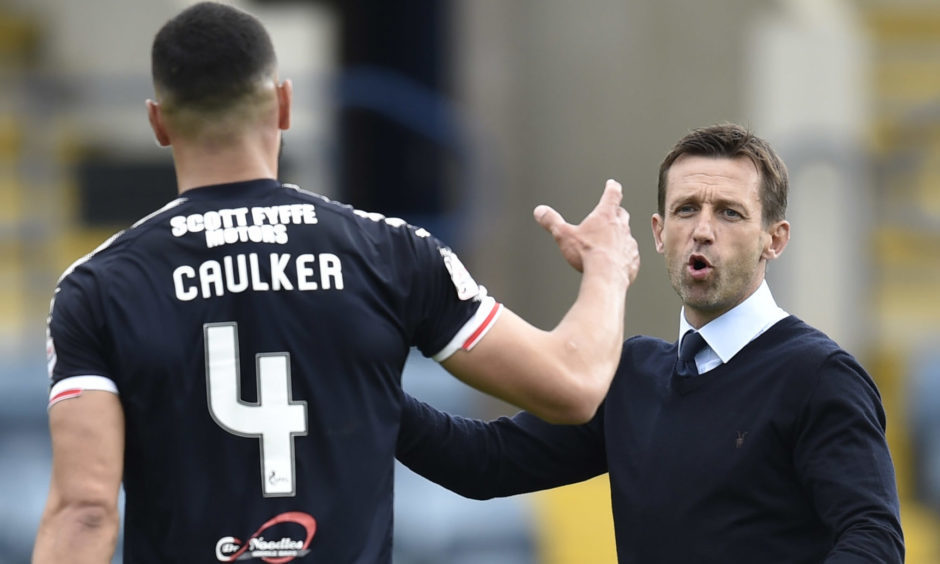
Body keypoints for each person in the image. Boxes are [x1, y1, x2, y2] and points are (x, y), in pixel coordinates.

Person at [31, 3, 640, 563]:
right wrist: (608, 269)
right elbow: (572, 386)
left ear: (159, 123)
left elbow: (85, 511)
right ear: (285, 105)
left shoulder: (98, 287)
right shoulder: (390, 252)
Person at [397, 123, 905, 563]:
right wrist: (360, 380)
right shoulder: (631, 374)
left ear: (775, 239)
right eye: (686, 210)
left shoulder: (817, 375)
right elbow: (484, 463)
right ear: (659, 233)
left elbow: (873, 540)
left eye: (729, 213)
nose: (702, 230)